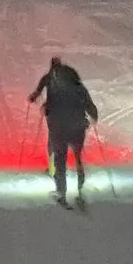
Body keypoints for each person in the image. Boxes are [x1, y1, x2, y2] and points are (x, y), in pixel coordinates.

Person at [28, 57, 99, 204]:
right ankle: (81, 189)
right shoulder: (79, 87)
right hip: (78, 126)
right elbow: (90, 106)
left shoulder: (50, 80)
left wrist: (40, 105)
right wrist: (93, 117)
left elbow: (43, 99)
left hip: (58, 127)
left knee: (60, 158)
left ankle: (61, 192)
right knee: (78, 156)